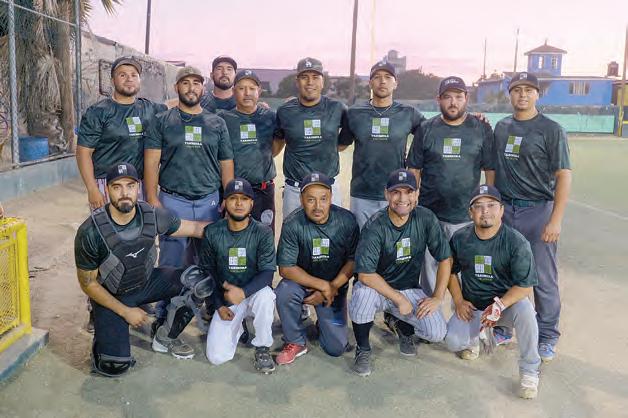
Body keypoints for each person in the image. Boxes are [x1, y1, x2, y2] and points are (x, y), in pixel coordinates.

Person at [74, 163, 211, 377]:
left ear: (138, 188)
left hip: (145, 282)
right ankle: (103, 340)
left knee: (199, 282)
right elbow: (88, 284)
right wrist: (125, 312)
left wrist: (235, 231)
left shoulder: (151, 215)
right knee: (114, 367)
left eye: (130, 186)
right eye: (117, 187)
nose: (124, 193)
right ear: (107, 190)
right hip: (112, 294)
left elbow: (194, 228)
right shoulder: (90, 231)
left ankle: (165, 335)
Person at [492, 72, 572, 362]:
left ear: (538, 94)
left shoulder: (551, 129)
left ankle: (547, 335)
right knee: (503, 271)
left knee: (542, 277)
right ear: (510, 94)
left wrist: (556, 219)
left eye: (528, 90)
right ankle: (503, 327)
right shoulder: (502, 127)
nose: (522, 95)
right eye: (517, 90)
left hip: (538, 211)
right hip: (506, 210)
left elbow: (563, 175)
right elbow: (493, 168)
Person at [348, 169, 451, 376]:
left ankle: (400, 324)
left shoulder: (425, 218)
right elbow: (365, 275)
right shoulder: (376, 225)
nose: (403, 198)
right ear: (386, 194)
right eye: (396, 192)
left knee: (437, 332)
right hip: (377, 289)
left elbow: (445, 258)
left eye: (408, 192)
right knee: (361, 298)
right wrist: (398, 299)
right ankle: (363, 349)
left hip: (408, 288)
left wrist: (437, 297)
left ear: (417, 194)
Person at [445, 184, 541, 399]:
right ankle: (476, 339)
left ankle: (530, 370)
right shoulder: (460, 238)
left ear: (501, 210)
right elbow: (449, 272)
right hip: (474, 307)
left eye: (491, 205)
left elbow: (525, 285)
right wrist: (458, 300)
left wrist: (499, 306)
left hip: (504, 308)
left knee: (526, 311)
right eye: (478, 206)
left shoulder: (516, 242)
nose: (485, 211)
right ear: (470, 212)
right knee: (453, 341)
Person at [407, 76, 494, 296]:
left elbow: (490, 169)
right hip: (431, 214)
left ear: (467, 98)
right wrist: (413, 201)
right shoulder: (426, 129)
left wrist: (489, 204)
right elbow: (414, 168)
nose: (453, 102)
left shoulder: (480, 128)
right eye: (447, 97)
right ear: (439, 99)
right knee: (429, 270)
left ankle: (465, 312)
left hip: (466, 215)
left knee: (465, 272)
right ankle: (430, 313)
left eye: (458, 96)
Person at [144, 66, 234, 269]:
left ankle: (206, 291)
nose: (191, 88)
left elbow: (226, 162)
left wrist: (228, 196)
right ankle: (168, 291)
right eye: (185, 83)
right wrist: (152, 198)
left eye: (196, 83)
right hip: (173, 201)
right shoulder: (162, 121)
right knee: (171, 261)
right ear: (176, 87)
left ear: (203, 88)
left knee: (209, 260)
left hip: (208, 201)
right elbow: (151, 162)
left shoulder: (217, 123)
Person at [275, 172, 359, 364]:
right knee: (284, 291)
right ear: (301, 199)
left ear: (331, 197)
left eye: (323, 199)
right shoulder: (293, 223)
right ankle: (295, 341)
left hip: (334, 288)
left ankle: (324, 322)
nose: (317, 206)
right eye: (311, 199)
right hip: (302, 285)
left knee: (336, 348)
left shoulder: (346, 221)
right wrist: (322, 286)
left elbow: (353, 260)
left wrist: (332, 287)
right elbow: (286, 268)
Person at [199, 178, 277, 373]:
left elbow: (267, 274)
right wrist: (218, 304)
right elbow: (209, 272)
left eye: (244, 199)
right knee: (216, 357)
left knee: (267, 296)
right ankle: (240, 325)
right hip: (228, 298)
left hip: (254, 292)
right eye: (233, 198)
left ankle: (262, 346)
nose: (239, 203)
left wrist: (243, 292)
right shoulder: (212, 232)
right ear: (225, 202)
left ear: (252, 203)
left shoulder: (263, 232)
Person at [343, 61, 425, 228]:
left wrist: (471, 119)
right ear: (370, 83)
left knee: (393, 241)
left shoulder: (408, 113)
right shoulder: (355, 113)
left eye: (388, 77)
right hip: (362, 193)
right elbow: (340, 144)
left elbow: (433, 132)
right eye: (377, 77)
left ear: (395, 83)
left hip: (397, 192)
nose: (382, 81)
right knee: (362, 240)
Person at [77, 56, 166, 209]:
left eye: (134, 75)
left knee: (139, 223)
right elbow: (83, 153)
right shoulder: (98, 112)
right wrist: (92, 189)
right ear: (113, 80)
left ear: (139, 80)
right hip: (108, 183)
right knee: (108, 223)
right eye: (123, 75)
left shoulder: (149, 108)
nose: (129, 79)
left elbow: (173, 105)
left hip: (138, 183)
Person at [274, 57, 352, 219]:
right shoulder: (285, 111)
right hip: (295, 190)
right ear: (297, 82)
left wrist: (324, 147)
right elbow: (278, 142)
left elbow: (343, 143)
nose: (310, 82)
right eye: (304, 77)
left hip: (327, 188)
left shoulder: (337, 108)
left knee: (333, 234)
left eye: (315, 77)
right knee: (293, 234)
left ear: (323, 82)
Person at [218, 70, 284, 232]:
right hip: (235, 190)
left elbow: (278, 143)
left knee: (264, 235)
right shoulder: (224, 119)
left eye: (252, 88)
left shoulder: (270, 116)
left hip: (263, 190)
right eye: (241, 88)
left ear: (259, 91)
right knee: (235, 237)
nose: (247, 93)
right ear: (233, 91)